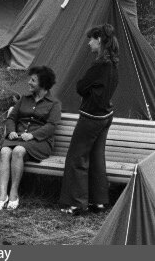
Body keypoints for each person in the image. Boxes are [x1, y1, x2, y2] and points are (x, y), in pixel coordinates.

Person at [59, 23, 119, 215]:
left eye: (91, 39)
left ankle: (77, 204)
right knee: (96, 157)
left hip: (91, 117)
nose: (89, 43)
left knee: (77, 157)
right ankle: (98, 202)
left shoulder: (99, 65)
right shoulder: (113, 64)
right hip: (105, 116)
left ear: (99, 39)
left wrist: (87, 89)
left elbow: (81, 86)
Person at [0, 66, 61, 211]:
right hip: (18, 139)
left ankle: (14, 193)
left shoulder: (54, 104)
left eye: (33, 80)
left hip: (40, 142)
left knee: (18, 151)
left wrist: (33, 135)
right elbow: (11, 118)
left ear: (43, 83)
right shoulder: (24, 99)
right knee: (4, 151)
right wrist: (11, 131)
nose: (29, 82)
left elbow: (51, 126)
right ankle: (2, 195)